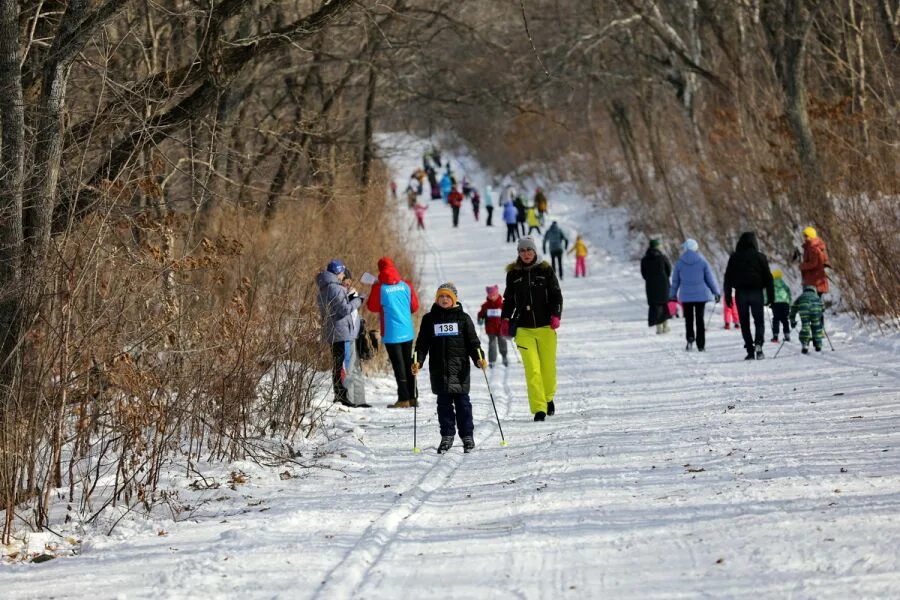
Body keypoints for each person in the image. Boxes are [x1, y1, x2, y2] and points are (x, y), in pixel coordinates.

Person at [412, 283, 487, 453]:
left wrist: (479, 359)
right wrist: (418, 361)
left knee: (463, 404)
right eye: (441, 296)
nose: (444, 299)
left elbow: (473, 343)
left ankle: (467, 435)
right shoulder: (429, 319)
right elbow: (422, 345)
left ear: (454, 299)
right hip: (439, 370)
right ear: (437, 299)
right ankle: (447, 436)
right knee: (443, 405)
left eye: (448, 297)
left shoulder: (464, 319)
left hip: (460, 369)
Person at [500, 237, 563, 422]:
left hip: (546, 327)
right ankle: (539, 408)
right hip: (523, 329)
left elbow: (556, 294)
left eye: (529, 250)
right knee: (532, 370)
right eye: (522, 250)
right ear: (518, 253)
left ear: (535, 251)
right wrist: (505, 319)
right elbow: (509, 299)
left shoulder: (545, 270)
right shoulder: (513, 274)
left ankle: (548, 397)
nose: (526, 254)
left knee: (548, 369)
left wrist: (556, 314)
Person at [366, 257, 420, 407]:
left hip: (391, 332)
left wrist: (374, 287)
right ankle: (413, 397)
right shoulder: (406, 285)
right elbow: (414, 307)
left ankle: (403, 399)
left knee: (398, 365)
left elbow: (372, 307)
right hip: (407, 330)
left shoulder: (380, 289)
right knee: (408, 361)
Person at [316, 259, 366, 407]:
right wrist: (358, 300)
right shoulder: (335, 288)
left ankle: (341, 396)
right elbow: (344, 310)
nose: (343, 275)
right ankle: (343, 398)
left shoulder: (324, 287)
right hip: (341, 331)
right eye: (342, 272)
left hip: (333, 331)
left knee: (338, 365)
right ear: (338, 272)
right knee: (343, 366)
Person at [723, 232, 775, 360]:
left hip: (741, 294)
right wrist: (771, 297)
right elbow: (768, 278)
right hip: (756, 292)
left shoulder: (734, 257)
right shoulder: (760, 257)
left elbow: (728, 278)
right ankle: (759, 345)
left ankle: (750, 351)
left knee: (744, 323)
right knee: (759, 321)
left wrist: (728, 296)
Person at [669, 239, 720, 352]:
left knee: (689, 319)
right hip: (700, 296)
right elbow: (710, 279)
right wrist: (716, 292)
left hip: (686, 297)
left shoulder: (679, 263)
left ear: (686, 249)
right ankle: (701, 344)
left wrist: (672, 295)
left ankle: (690, 339)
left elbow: (675, 281)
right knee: (699, 319)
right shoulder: (702, 262)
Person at [339, 269, 371, 407]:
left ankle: (360, 400)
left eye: (348, 280)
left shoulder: (353, 294)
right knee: (349, 368)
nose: (347, 283)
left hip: (356, 335)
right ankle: (350, 399)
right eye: (344, 280)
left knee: (357, 368)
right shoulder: (341, 295)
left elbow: (354, 315)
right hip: (347, 336)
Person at [640, 239, 672, 334]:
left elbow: (644, 274)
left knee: (655, 305)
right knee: (664, 304)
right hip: (663, 284)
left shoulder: (644, 259)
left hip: (651, 285)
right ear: (657, 247)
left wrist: (650, 279)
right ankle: (665, 326)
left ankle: (658, 327)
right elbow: (669, 270)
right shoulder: (663, 258)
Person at [477, 284, 508, 368]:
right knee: (492, 344)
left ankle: (504, 356)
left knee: (502, 342)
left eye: (494, 295)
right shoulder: (485, 306)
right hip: (490, 329)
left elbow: (507, 314)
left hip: (501, 328)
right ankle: (492, 361)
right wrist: (480, 319)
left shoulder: (502, 305)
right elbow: (481, 314)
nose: (492, 297)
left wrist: (507, 320)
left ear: (497, 294)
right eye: (490, 295)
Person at [790, 285, 824, 354]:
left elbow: (793, 308)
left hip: (804, 311)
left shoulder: (801, 296)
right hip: (815, 311)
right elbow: (823, 307)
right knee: (816, 326)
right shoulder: (816, 296)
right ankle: (818, 345)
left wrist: (792, 320)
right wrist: (820, 314)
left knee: (805, 326)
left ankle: (805, 344)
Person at [799, 226, 829, 299]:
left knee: (811, 304)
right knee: (816, 304)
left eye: (806, 236)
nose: (804, 238)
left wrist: (802, 266)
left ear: (810, 236)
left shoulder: (813, 248)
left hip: (813, 281)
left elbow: (813, 264)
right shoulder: (814, 246)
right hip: (815, 280)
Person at [769, 269, 792, 343]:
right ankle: (787, 335)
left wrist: (766, 302)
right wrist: (789, 303)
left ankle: (775, 336)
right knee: (785, 320)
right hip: (785, 303)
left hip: (775, 304)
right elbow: (789, 293)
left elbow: (767, 294)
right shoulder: (784, 284)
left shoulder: (771, 284)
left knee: (776, 319)